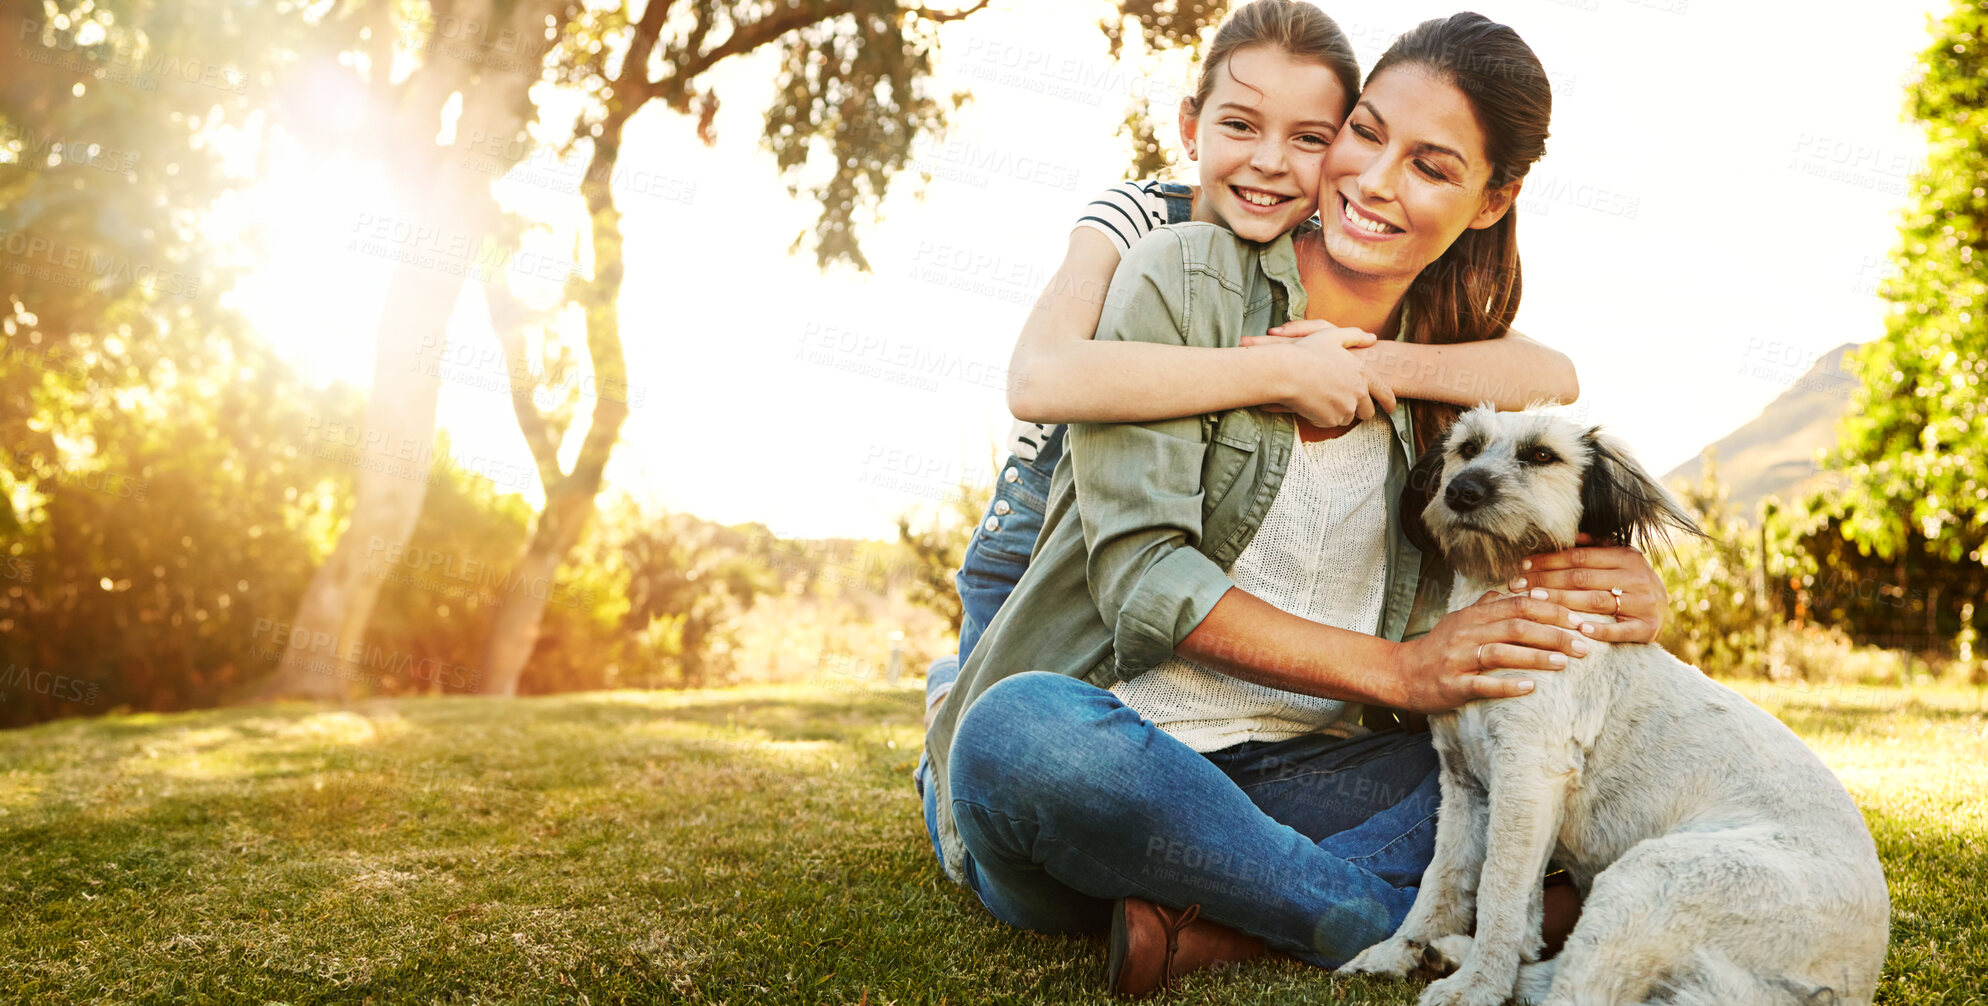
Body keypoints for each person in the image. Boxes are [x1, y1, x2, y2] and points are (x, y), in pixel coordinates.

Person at [917, 5, 1670, 996]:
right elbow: (1143, 582)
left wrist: (1622, 589)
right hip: (1116, 750)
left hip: (1305, 778)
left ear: (1493, 200)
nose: (1372, 180)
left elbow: (1548, 424)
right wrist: (1397, 671)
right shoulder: (1177, 272)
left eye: (1431, 166)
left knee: (1604, 774)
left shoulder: (1459, 380)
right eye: (1365, 133)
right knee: (1017, 739)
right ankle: (1366, 917)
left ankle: (1222, 922)